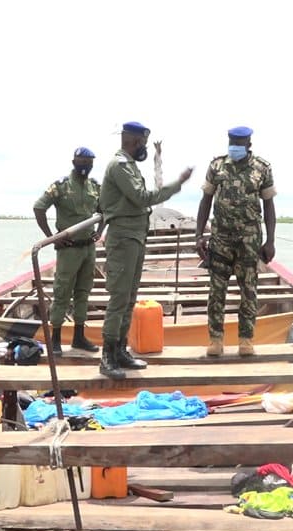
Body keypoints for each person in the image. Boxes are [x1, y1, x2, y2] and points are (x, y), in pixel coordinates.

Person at [98, 121, 193, 379]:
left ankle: (120, 350)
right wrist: (177, 185)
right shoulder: (120, 166)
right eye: (142, 143)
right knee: (119, 298)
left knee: (129, 298)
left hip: (135, 238)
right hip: (123, 239)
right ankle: (107, 356)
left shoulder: (129, 166)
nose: (144, 149)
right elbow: (141, 198)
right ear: (131, 141)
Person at [195, 126, 277, 357]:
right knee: (216, 292)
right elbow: (206, 201)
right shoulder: (217, 166)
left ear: (249, 144)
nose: (235, 146)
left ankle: (246, 340)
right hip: (220, 239)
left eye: (239, 143)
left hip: (249, 241)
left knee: (248, 291)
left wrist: (270, 241)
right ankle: (216, 340)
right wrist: (199, 235)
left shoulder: (262, 168)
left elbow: (269, 206)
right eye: (232, 142)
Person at [33, 147, 105, 357]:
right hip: (68, 249)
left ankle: (79, 337)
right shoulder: (61, 186)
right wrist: (52, 237)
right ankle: (55, 339)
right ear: (74, 162)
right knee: (62, 293)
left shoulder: (95, 187)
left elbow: (105, 210)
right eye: (82, 161)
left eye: (89, 162)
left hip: (88, 248)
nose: (85, 166)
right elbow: (39, 208)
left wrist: (99, 233)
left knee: (83, 292)